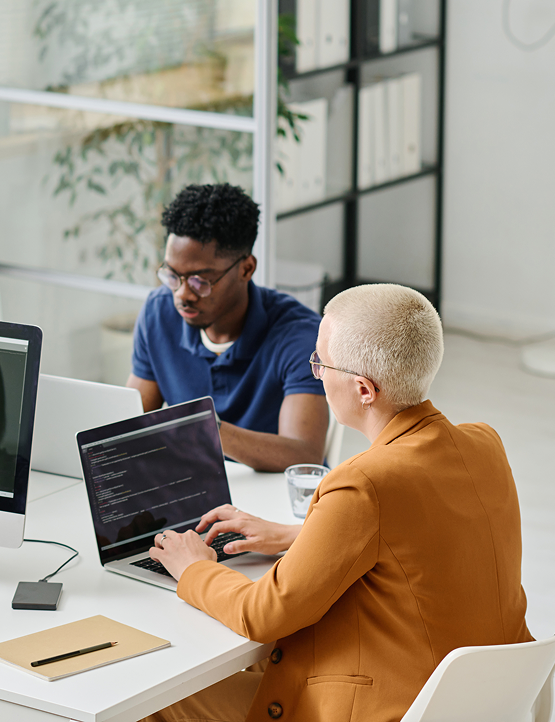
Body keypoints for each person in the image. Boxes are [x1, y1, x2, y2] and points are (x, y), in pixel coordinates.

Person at [143, 284, 532, 722]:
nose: (317, 374)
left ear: (364, 389)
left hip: (383, 708)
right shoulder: (484, 443)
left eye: (321, 362)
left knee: (151, 697)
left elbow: (263, 614)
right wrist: (299, 535)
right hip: (475, 702)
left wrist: (193, 567)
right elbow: (421, 533)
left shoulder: (362, 484)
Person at [127, 184, 328, 472]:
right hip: (190, 484)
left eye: (200, 280)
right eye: (172, 275)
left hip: (270, 498)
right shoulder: (159, 313)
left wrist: (203, 426)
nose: (182, 294)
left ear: (246, 269)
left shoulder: (299, 336)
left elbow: (305, 456)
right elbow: (132, 423)